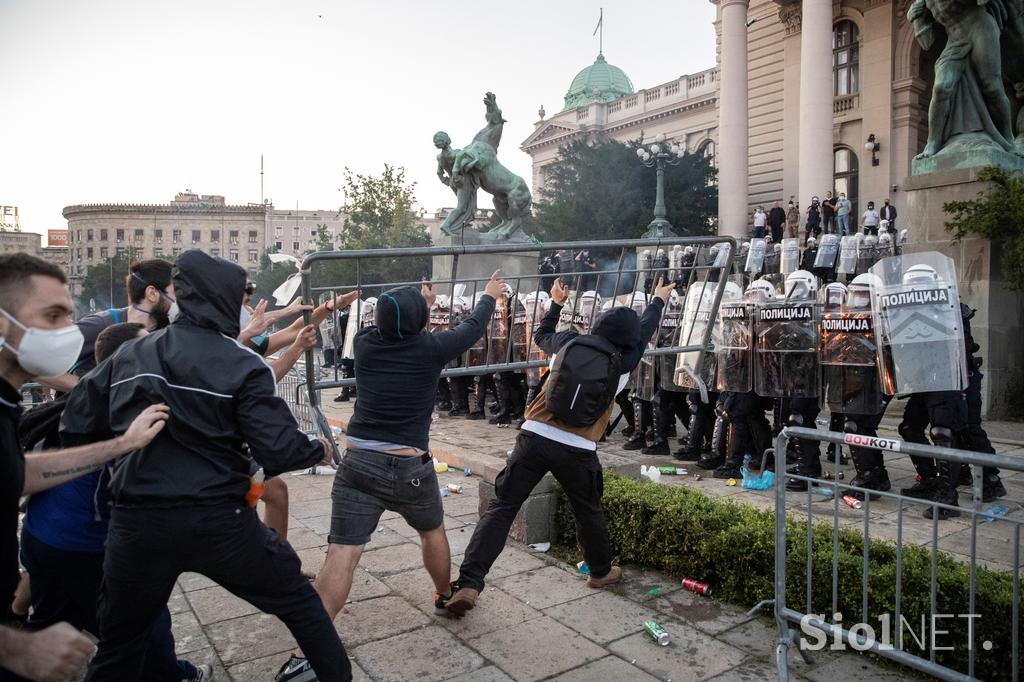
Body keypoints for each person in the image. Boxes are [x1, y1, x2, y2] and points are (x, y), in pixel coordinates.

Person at [59, 250, 348, 681]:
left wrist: (127, 451)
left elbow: (76, 425)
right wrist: (317, 448)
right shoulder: (241, 363)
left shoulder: (129, 356)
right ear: (224, 301)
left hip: (137, 525)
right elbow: (280, 450)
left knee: (119, 646)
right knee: (300, 605)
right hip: (218, 520)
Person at [276, 272, 504, 681]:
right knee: (432, 531)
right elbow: (471, 328)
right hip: (410, 468)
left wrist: (420, 308)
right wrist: (487, 296)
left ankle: (303, 657)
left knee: (341, 556)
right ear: (420, 323)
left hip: (359, 462)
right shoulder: (432, 348)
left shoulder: (364, 345)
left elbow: (401, 328)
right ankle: (443, 594)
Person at [444, 276, 675, 618]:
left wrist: (556, 303)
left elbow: (540, 335)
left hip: (535, 433)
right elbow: (645, 329)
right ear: (628, 340)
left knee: (503, 507)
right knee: (588, 509)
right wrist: (657, 299)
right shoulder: (625, 361)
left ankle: (469, 583)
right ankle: (599, 572)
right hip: (579, 446)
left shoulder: (569, 342)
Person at [0, 254, 170, 682]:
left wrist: (122, 444)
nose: (68, 333)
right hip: (72, 545)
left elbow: (16, 473)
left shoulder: (6, 405)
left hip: (47, 545)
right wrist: (16, 648)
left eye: (69, 317)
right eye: (52, 316)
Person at [18, 322, 210, 681]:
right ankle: (174, 675)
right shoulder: (126, 411)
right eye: (149, 349)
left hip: (42, 536)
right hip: (83, 546)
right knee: (143, 627)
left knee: (48, 626)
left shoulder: (88, 396)